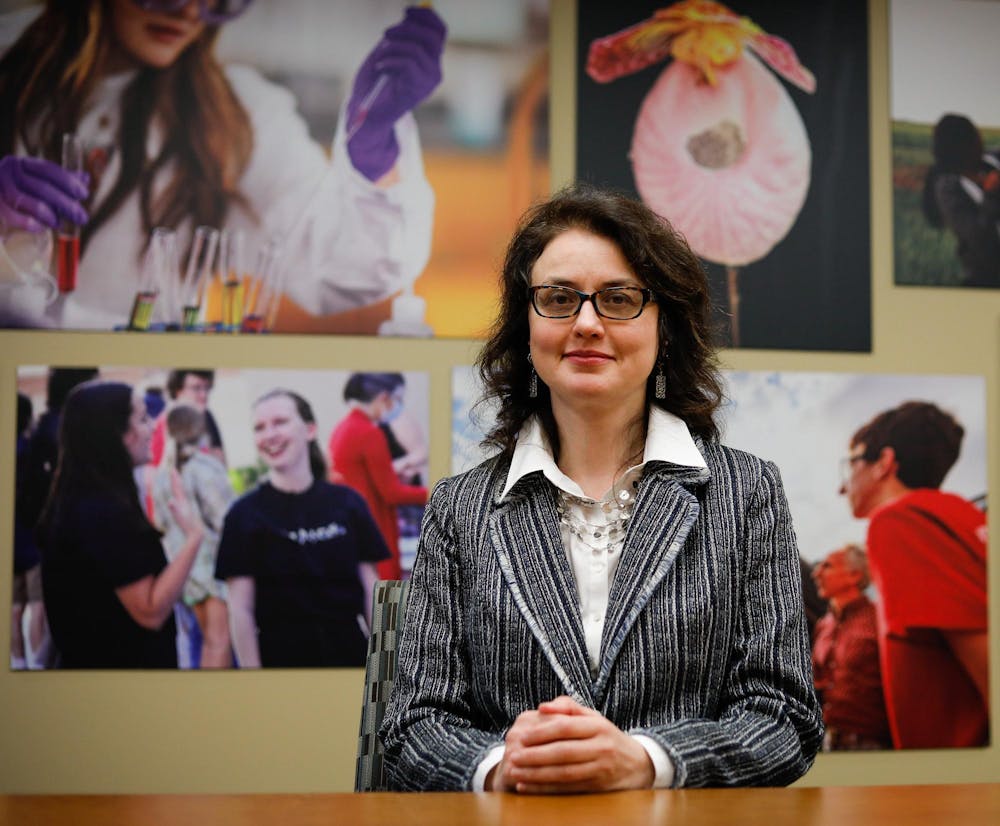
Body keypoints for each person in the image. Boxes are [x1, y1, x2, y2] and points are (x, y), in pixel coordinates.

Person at [381, 184, 823, 792]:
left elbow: (784, 719)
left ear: (664, 324)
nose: (586, 323)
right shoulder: (459, 507)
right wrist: (503, 768)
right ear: (526, 324)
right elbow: (412, 725)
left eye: (619, 298)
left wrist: (645, 761)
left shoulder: (746, 492)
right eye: (559, 298)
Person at [0, 1, 446, 329]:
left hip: (138, 397)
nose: (190, 11)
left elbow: (348, 266)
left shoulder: (234, 116)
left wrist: (372, 145)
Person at [839, 400, 988, 748]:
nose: (843, 487)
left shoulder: (900, 520)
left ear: (884, 463)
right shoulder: (961, 517)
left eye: (850, 464)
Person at [215, 389, 390, 667]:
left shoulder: (349, 503)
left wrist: (386, 669)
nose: (269, 434)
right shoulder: (243, 515)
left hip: (349, 658)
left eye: (280, 422)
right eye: (260, 427)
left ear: (309, 430)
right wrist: (252, 680)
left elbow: (373, 593)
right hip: (280, 664)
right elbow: (241, 611)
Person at [36, 380, 204, 668]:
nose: (153, 427)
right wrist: (194, 536)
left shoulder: (82, 498)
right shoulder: (103, 512)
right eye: (142, 418)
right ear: (113, 434)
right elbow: (150, 611)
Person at [151, 404, 234, 668]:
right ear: (200, 429)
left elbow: (160, 523)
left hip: (185, 570)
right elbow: (227, 520)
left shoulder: (162, 475)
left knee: (209, 641)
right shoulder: (205, 467)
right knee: (220, 641)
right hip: (212, 567)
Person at [327, 372, 427, 580]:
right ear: (383, 398)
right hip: (377, 528)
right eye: (397, 399)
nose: (398, 406)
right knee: (385, 606)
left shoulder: (343, 428)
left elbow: (361, 477)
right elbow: (392, 493)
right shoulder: (369, 432)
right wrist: (435, 493)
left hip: (355, 527)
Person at [810, 544, 890, 751]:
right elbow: (816, 678)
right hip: (828, 740)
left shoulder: (879, 619)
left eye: (827, 566)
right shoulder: (824, 625)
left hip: (872, 744)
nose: (816, 573)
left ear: (854, 575)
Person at [921, 113, 1000, 288]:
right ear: (962, 146)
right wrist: (991, 195)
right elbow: (979, 238)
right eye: (974, 134)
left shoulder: (992, 161)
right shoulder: (948, 189)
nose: (981, 138)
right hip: (987, 279)